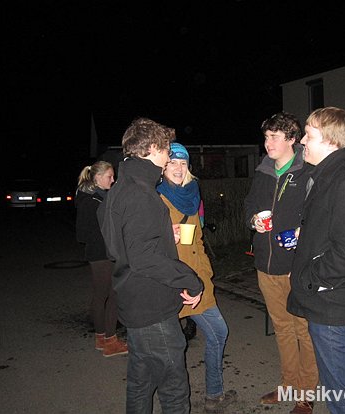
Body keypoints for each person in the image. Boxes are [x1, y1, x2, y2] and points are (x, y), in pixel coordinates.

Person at [99, 117, 204, 414]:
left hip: (134, 300)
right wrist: (190, 279)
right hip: (151, 306)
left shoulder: (123, 186)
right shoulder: (140, 193)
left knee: (140, 383)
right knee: (174, 389)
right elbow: (143, 257)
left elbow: (119, 237)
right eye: (167, 149)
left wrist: (160, 234)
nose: (169, 156)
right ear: (153, 148)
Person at [287, 107, 345, 414]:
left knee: (344, 398)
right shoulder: (329, 175)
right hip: (331, 302)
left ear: (330, 141)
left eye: (308, 135)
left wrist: (308, 278)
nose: (301, 141)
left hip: (334, 306)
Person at [244, 111, 318, 414]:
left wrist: (303, 232)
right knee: (283, 328)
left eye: (274, 136)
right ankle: (288, 384)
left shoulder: (308, 171)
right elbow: (250, 204)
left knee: (304, 330)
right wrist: (253, 221)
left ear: (292, 139)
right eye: (266, 137)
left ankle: (306, 394)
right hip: (266, 264)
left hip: (297, 267)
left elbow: (320, 214)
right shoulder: (263, 171)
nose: (268, 143)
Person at [157, 142, 237, 413]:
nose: (179, 168)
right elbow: (143, 245)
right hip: (170, 282)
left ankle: (214, 394)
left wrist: (204, 275)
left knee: (218, 333)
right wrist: (166, 237)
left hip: (197, 280)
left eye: (183, 163)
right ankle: (173, 403)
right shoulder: (155, 199)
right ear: (163, 166)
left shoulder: (193, 195)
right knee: (170, 347)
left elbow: (198, 240)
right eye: (173, 163)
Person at [75, 160, 128, 357]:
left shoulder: (98, 197)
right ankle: (110, 341)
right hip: (101, 254)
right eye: (109, 177)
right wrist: (108, 236)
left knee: (103, 294)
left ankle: (102, 338)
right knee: (111, 295)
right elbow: (82, 234)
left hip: (104, 252)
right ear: (97, 177)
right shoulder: (91, 201)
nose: (113, 180)